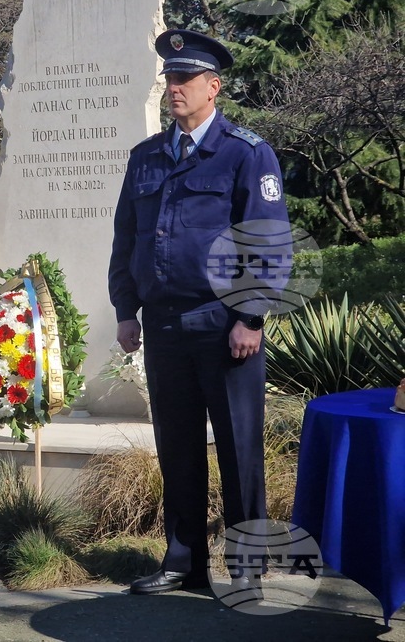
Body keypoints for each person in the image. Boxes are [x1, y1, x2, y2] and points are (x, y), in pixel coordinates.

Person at [108, 29, 291, 595]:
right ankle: (183, 561)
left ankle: (247, 571)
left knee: (239, 450)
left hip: (223, 325)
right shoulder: (146, 157)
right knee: (178, 448)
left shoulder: (245, 152)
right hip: (163, 325)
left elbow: (268, 240)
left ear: (214, 87)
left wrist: (251, 317)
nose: (175, 88)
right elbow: (126, 238)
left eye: (185, 79)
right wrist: (125, 310)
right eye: (170, 79)